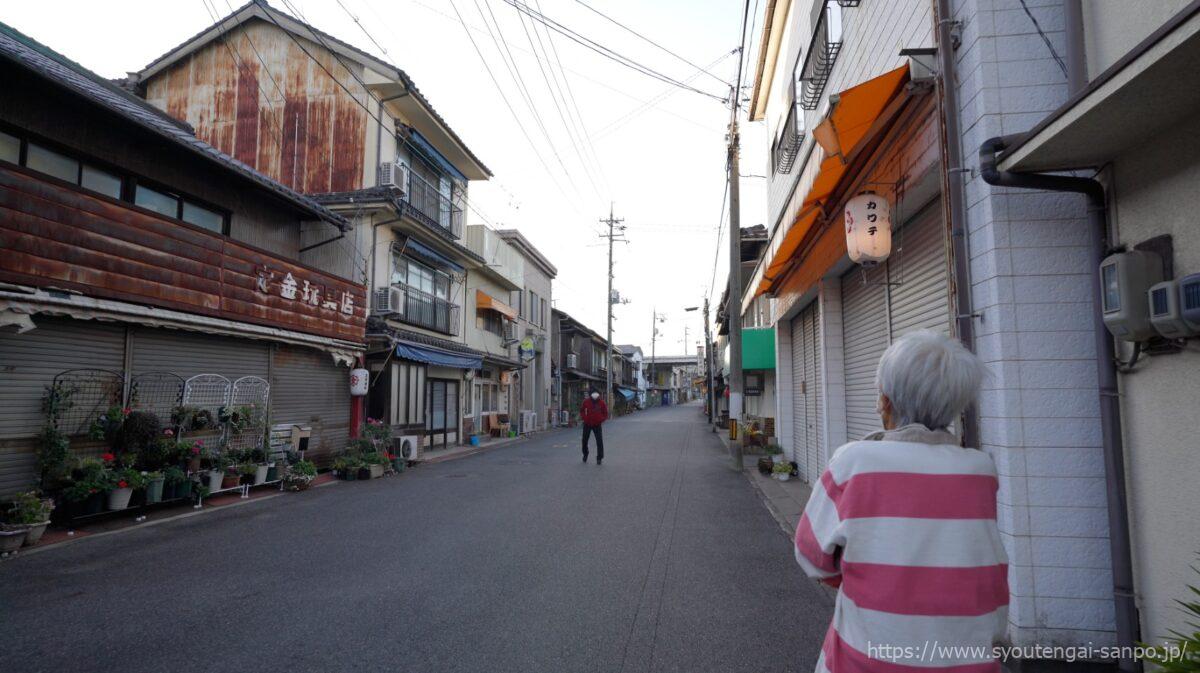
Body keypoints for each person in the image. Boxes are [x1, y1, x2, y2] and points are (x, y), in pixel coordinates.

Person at [793, 330, 1007, 672]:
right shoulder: (981, 471)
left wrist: (855, 573)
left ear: (886, 400)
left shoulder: (854, 463)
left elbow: (811, 556)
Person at [580, 388, 608, 464]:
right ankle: (585, 454)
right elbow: (582, 410)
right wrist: (584, 418)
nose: (595, 395)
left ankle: (599, 458)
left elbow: (605, 413)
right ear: (590, 394)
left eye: (596, 393)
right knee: (584, 440)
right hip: (587, 423)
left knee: (599, 441)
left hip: (597, 424)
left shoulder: (602, 402)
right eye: (593, 393)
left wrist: (601, 419)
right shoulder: (586, 401)